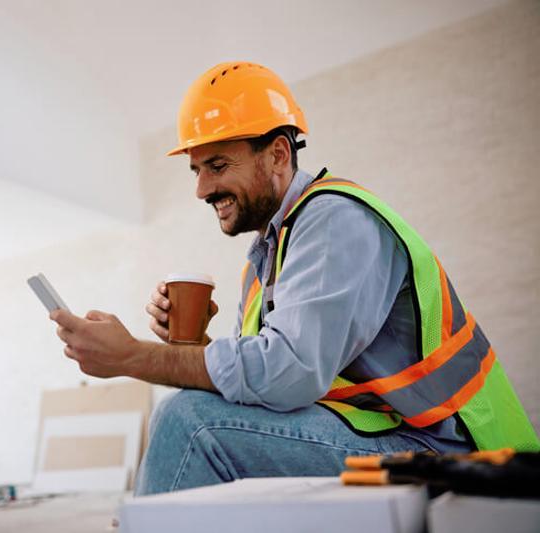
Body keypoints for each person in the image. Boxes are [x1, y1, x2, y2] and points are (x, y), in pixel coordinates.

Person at [49, 61, 539, 496]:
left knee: (191, 422)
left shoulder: (333, 219)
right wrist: (194, 345)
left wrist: (133, 357)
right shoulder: (268, 255)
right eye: (196, 170)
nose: (201, 189)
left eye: (217, 166)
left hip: (446, 449)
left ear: (278, 155)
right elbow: (263, 380)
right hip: (388, 433)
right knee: (196, 411)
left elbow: (290, 374)